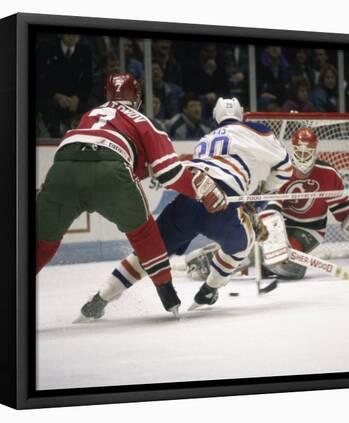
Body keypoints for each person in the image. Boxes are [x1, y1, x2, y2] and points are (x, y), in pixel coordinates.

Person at [78, 97, 293, 319]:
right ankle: (209, 291)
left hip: (189, 198)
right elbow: (285, 168)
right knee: (241, 247)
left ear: (216, 118)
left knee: (151, 253)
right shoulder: (256, 130)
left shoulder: (204, 140)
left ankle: (100, 298)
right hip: (223, 203)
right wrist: (261, 197)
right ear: (241, 114)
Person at [36, 73, 228, 316]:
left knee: (41, 242)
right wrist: (202, 192)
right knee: (144, 233)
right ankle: (167, 294)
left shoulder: (90, 114)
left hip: (63, 168)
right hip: (111, 169)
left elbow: (103, 153)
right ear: (137, 98)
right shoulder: (144, 121)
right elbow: (169, 173)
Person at [260, 127, 349, 280]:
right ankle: (264, 260)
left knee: (290, 265)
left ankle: (268, 263)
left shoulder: (328, 174)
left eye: (306, 153)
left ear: (314, 152)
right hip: (281, 225)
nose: (302, 157)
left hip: (309, 229)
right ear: (292, 149)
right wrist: (275, 238)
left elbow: (342, 211)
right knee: (247, 244)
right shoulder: (282, 171)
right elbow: (271, 206)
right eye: (299, 152)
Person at [36, 34, 93, 137]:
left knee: (91, 110)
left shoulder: (85, 50)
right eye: (68, 34)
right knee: (46, 108)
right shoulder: (47, 47)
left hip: (75, 98)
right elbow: (39, 77)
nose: (72, 37)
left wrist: (78, 97)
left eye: (75, 35)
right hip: (50, 96)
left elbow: (87, 80)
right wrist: (55, 95)